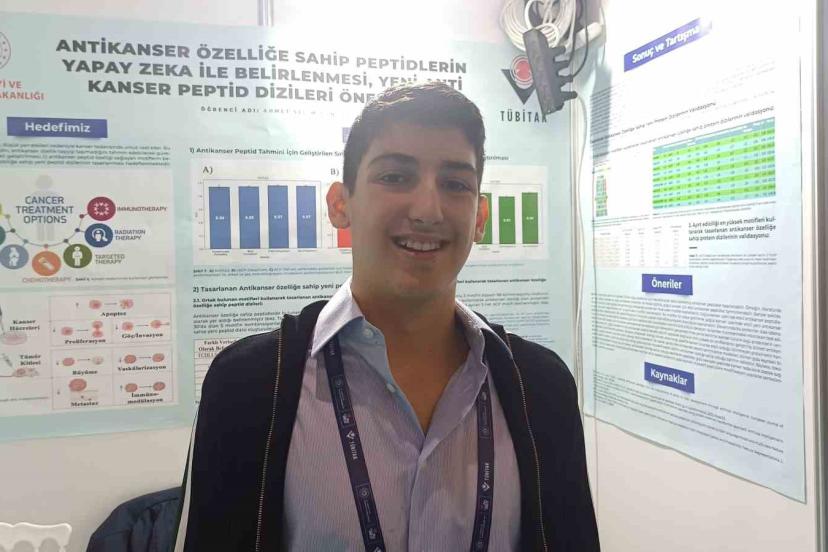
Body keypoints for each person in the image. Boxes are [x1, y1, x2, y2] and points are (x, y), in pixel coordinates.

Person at [173, 82, 599, 552]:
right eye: (395, 177)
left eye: (455, 184)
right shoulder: (249, 386)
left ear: (479, 217)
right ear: (341, 204)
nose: (427, 210)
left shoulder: (542, 388)